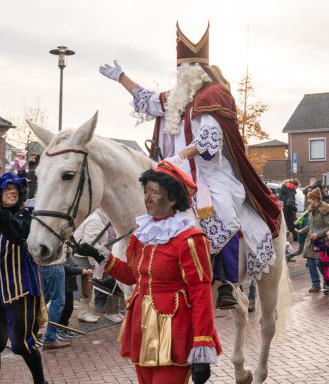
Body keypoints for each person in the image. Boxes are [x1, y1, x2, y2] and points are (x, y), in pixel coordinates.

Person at [99, 24, 281, 308]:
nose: (182, 74)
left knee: (223, 213)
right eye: (180, 69)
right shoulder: (176, 98)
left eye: (188, 68)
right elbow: (147, 100)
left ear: (199, 70)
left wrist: (182, 156)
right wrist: (122, 77)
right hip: (171, 172)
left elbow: (211, 137)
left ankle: (226, 280)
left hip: (210, 172)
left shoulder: (213, 95)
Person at [75, 161, 221, 384]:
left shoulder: (190, 239)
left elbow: (201, 293)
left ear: (173, 198)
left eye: (155, 192)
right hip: (142, 326)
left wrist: (203, 342)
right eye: (146, 191)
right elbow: (133, 276)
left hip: (175, 330)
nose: (148, 198)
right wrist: (101, 256)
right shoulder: (142, 234)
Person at [0, 172, 47, 384]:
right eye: (7, 189)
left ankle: (40, 382)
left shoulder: (28, 217)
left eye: (15, 190)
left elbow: (18, 235)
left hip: (20, 290)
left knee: (22, 343)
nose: (12, 192)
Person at [298, 189, 329, 293]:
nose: (308, 201)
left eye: (310, 199)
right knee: (311, 263)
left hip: (322, 241)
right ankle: (315, 284)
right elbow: (310, 225)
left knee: (320, 262)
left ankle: (327, 283)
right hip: (311, 240)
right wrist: (302, 230)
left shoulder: (326, 209)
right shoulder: (311, 209)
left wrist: (318, 235)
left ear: (315, 199)